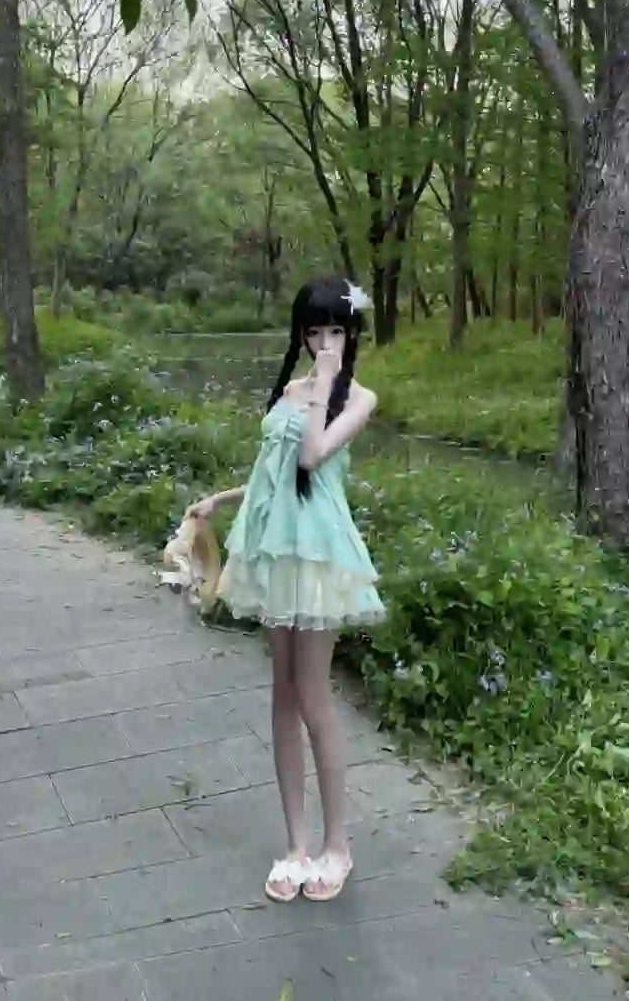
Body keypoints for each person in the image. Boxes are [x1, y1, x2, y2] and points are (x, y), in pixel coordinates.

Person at [186, 275, 384, 903]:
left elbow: (312, 456)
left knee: (314, 694)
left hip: (318, 553)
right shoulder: (289, 392)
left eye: (336, 331)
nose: (324, 342)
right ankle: (296, 845)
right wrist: (221, 499)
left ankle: (337, 845)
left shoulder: (358, 398)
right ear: (300, 334)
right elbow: (274, 470)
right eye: (314, 331)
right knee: (282, 693)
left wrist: (324, 385)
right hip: (273, 547)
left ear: (352, 335)